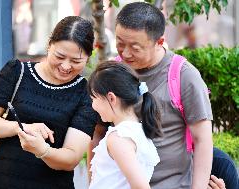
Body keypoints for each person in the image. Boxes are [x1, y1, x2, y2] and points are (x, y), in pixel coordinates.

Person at [88, 2, 213, 189]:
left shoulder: (184, 75)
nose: (125, 53)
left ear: (159, 42)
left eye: (135, 47)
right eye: (120, 43)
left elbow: (202, 139)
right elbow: (97, 133)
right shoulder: (113, 72)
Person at [0, 16, 98, 189]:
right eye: (60, 56)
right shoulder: (17, 72)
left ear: (88, 58)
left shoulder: (86, 93)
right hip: (2, 182)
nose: (66, 66)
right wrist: (21, 128)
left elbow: (71, 158)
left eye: (76, 61)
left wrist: (42, 150)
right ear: (49, 45)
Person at [88, 61, 162, 189]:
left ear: (111, 98)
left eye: (94, 98)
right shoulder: (137, 131)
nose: (93, 105)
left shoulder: (119, 138)